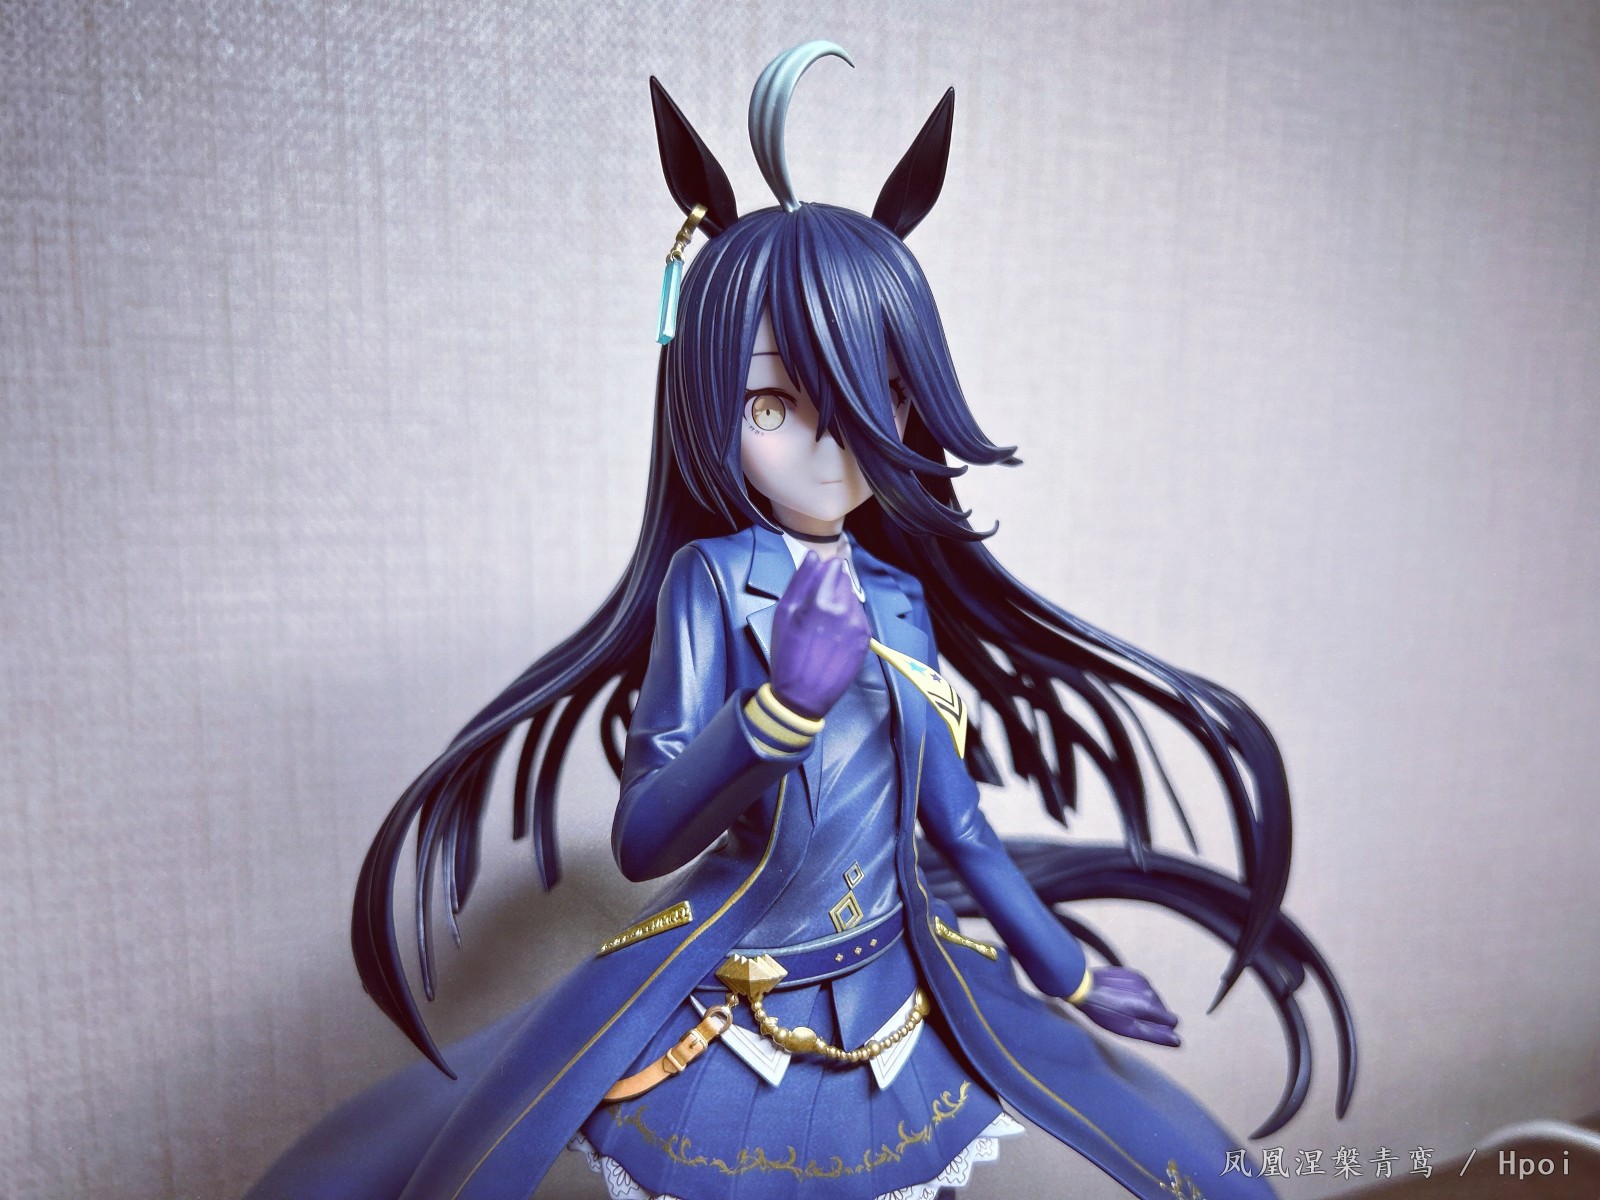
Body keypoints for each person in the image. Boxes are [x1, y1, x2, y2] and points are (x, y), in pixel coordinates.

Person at [249, 42, 1353, 1200]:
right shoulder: (711, 583)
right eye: (773, 403)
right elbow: (643, 838)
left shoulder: (900, 599)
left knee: (1178, 1158)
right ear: (709, 403)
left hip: (903, 981)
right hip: (738, 993)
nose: (830, 444)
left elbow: (958, 826)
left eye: (875, 395)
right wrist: (779, 710)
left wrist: (1069, 973)